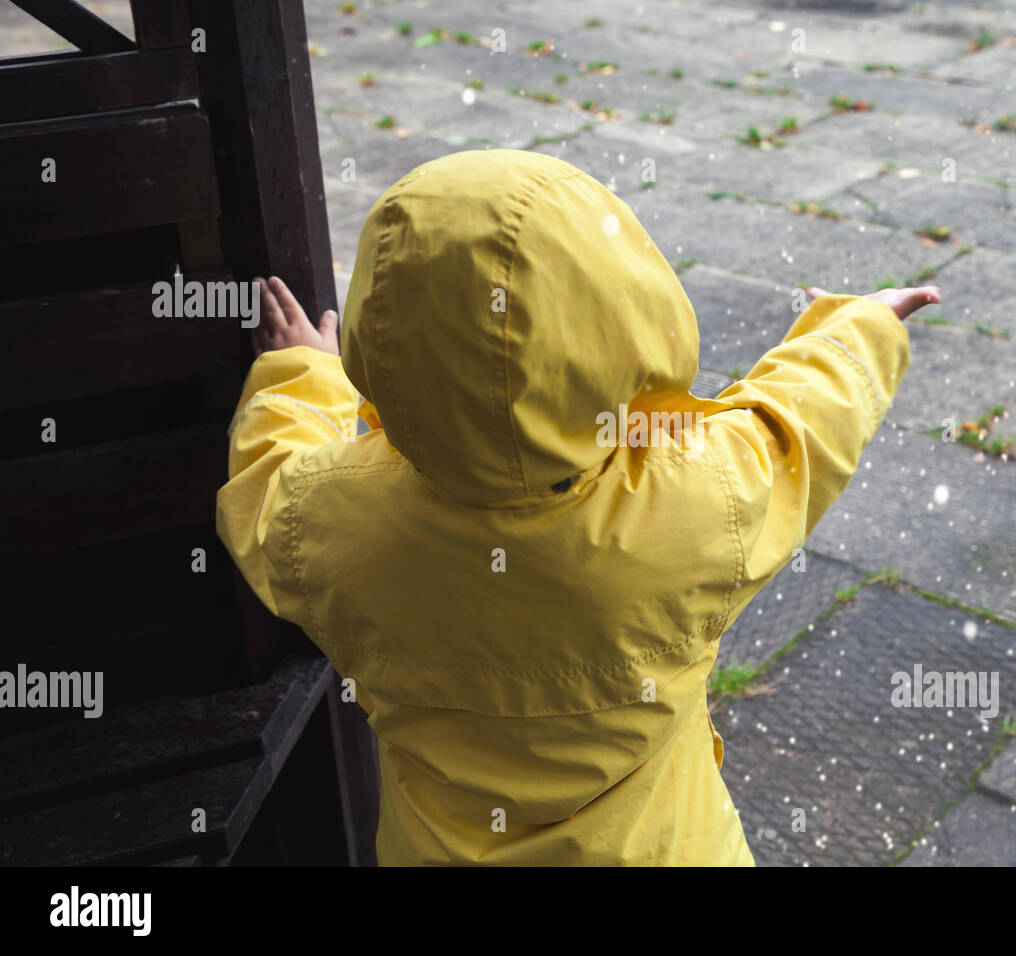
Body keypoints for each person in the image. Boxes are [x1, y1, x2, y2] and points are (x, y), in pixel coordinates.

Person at [216, 149, 939, 865]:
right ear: (623, 316)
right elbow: (794, 426)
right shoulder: (697, 504)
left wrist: (301, 371)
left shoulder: (335, 522)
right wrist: (856, 332)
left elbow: (270, 483)